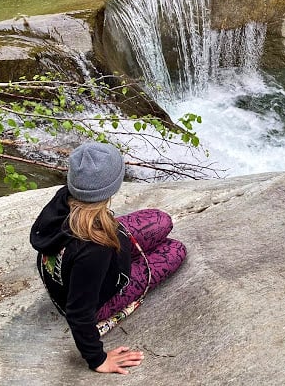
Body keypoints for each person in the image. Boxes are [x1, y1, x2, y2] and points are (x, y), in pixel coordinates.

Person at [30, 141, 187, 374]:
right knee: (176, 250)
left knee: (162, 219)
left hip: (89, 255)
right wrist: (98, 359)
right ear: (112, 187)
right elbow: (79, 312)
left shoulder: (64, 197)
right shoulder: (95, 248)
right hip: (96, 295)